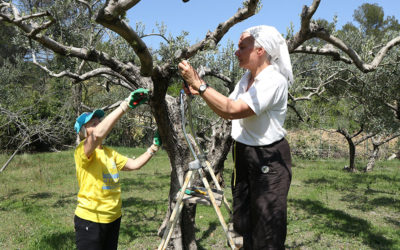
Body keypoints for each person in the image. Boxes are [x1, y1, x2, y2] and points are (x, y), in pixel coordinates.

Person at [178, 25, 293, 249]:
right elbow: (225, 111)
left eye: (242, 47)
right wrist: (198, 90)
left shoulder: (273, 81)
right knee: (245, 222)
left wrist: (200, 85)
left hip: (268, 158)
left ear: (260, 50)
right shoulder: (246, 79)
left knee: (267, 230)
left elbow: (234, 109)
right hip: (245, 154)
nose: (236, 52)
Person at [73, 89, 161, 250]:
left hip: (113, 218)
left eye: (99, 122)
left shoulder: (109, 153)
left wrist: (154, 147)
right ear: (83, 132)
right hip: (90, 220)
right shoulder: (81, 151)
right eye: (93, 124)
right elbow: (97, 136)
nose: (99, 125)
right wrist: (125, 105)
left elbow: (134, 165)